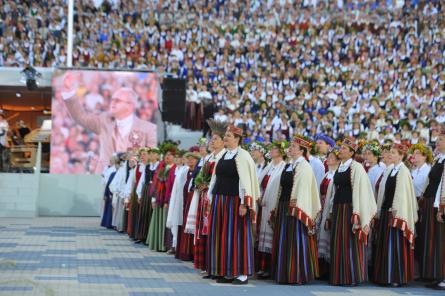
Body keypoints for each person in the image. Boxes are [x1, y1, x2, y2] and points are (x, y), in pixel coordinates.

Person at [61, 72, 157, 173]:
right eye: (112, 100)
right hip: (103, 181)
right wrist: (68, 92)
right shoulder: (104, 121)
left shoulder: (149, 129)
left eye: (118, 100)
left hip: (132, 183)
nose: (113, 103)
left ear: (130, 106)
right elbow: (80, 117)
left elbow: (152, 159)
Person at [207, 125, 260, 285]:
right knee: (222, 236)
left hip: (235, 202)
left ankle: (242, 273)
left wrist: (245, 203)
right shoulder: (224, 155)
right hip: (220, 200)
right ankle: (226, 271)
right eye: (226, 136)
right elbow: (215, 178)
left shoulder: (243, 156)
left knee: (238, 236)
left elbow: (246, 181)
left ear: (237, 138)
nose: (225, 138)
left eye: (228, 136)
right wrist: (211, 198)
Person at [326, 138, 376, 286]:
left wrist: (358, 212)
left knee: (350, 243)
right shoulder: (340, 167)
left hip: (350, 209)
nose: (340, 150)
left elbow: (363, 192)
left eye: (344, 148)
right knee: (338, 242)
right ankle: (338, 276)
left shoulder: (357, 168)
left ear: (352, 152)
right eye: (340, 148)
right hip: (338, 208)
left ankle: (351, 277)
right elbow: (334, 190)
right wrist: (330, 210)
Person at [271, 135, 320, 284]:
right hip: (284, 205)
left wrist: (295, 206)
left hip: (295, 208)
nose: (290, 148)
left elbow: (303, 191)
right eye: (290, 146)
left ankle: (296, 274)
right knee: (284, 240)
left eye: (293, 146)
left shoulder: (304, 166)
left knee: (295, 240)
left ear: (301, 150)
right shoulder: (288, 165)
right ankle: (284, 274)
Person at [373, 143, 418, 287]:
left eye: (393, 153)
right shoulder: (391, 170)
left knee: (396, 245)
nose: (390, 155)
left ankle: (397, 277)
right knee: (386, 245)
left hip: (396, 213)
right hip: (387, 211)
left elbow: (403, 196)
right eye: (390, 152)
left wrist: (396, 210)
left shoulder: (403, 172)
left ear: (401, 155)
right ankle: (385, 276)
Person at [193, 119, 227, 275]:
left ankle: (215, 266)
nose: (212, 142)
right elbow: (201, 176)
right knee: (204, 231)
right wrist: (200, 183)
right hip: (205, 198)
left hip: (215, 199)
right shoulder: (209, 157)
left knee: (213, 231)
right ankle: (207, 265)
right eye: (211, 139)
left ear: (223, 141)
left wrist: (208, 187)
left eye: (215, 139)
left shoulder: (224, 157)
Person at [256, 141, 286, 279]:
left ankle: (269, 268)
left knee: (270, 237)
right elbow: (261, 184)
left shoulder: (283, 167)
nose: (272, 150)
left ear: (281, 151)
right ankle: (261, 266)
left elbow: (278, 189)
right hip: (262, 205)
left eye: (275, 148)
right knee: (261, 237)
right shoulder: (269, 167)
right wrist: (259, 197)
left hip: (272, 206)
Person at [420, 129, 445, 290]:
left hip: (440, 204)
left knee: (442, 241)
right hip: (432, 203)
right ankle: (438, 275)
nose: (437, 141)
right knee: (436, 241)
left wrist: (441, 207)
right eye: (437, 139)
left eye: (441, 139)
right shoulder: (439, 159)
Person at [146, 144, 177, 252]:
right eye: (166, 155)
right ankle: (158, 244)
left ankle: (166, 246)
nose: (167, 157)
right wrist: (154, 199)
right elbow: (155, 184)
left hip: (168, 200)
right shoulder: (161, 168)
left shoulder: (175, 168)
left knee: (166, 222)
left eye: (170, 155)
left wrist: (168, 201)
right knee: (159, 221)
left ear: (174, 157)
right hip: (159, 199)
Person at [317, 148, 340, 280]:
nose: (328, 159)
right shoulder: (327, 174)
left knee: (329, 237)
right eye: (328, 157)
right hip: (322, 207)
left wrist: (330, 213)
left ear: (337, 160)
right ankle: (322, 269)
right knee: (322, 237)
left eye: (331, 157)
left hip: (329, 209)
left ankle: (330, 269)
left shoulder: (337, 174)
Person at [176, 151, 200, 261]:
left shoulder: (198, 172)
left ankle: (191, 252)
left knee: (192, 225)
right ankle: (184, 251)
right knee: (185, 224)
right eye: (189, 158)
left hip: (193, 202)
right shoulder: (185, 172)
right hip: (186, 202)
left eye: (193, 159)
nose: (190, 160)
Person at [135, 148, 161, 243]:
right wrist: (139, 195)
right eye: (150, 154)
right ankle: (142, 236)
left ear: (157, 155)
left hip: (154, 189)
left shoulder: (159, 166)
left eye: (153, 154)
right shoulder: (147, 166)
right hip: (146, 190)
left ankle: (150, 238)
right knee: (144, 212)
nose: (151, 155)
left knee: (151, 213)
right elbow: (142, 180)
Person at [166, 150, 188, 254]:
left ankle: (177, 246)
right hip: (175, 198)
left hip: (181, 199)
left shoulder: (185, 169)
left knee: (179, 222)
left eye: (182, 158)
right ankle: (174, 245)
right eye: (179, 157)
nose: (179, 159)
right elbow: (171, 185)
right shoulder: (175, 170)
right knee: (174, 221)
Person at [100, 155, 119, 229]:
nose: (110, 161)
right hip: (106, 187)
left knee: (111, 206)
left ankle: (110, 222)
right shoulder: (107, 168)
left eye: (112, 160)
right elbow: (104, 178)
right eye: (110, 159)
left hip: (111, 188)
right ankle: (105, 221)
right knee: (106, 205)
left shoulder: (114, 169)